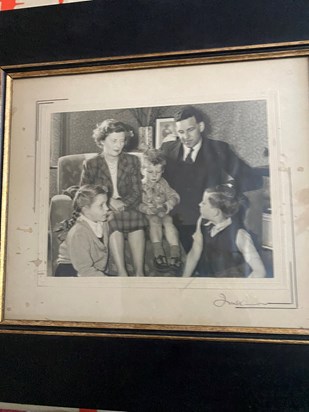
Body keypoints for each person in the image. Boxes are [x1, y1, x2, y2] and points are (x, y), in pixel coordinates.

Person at [161, 105, 263, 253]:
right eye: (181, 132)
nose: (185, 137)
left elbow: (253, 178)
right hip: (175, 216)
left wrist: (226, 188)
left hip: (206, 217)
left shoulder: (219, 149)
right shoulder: (167, 148)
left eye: (190, 130)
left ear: (201, 126)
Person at [80, 119, 147, 276]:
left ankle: (139, 273)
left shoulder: (132, 161)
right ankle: (122, 273)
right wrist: (109, 201)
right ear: (102, 140)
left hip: (128, 206)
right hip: (104, 208)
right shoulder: (91, 164)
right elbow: (84, 191)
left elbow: (137, 192)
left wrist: (122, 204)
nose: (119, 145)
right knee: (111, 220)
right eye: (114, 140)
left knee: (137, 221)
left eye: (122, 140)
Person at [183, 184, 266, 278]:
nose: (199, 204)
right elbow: (194, 253)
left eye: (204, 203)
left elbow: (260, 271)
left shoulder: (240, 234)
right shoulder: (202, 222)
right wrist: (182, 281)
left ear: (215, 212)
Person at [139, 149, 182, 274]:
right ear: (142, 170)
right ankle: (158, 254)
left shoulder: (163, 183)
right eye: (150, 171)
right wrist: (146, 208)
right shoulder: (139, 185)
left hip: (162, 212)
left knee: (168, 220)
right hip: (148, 215)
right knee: (154, 220)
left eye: (158, 172)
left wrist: (168, 204)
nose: (154, 175)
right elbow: (135, 203)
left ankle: (175, 254)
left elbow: (174, 195)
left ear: (162, 171)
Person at [55, 184, 110, 277]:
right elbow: (84, 270)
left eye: (106, 204)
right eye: (101, 205)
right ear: (86, 209)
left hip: (89, 271)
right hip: (71, 272)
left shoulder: (103, 223)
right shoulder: (79, 233)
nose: (107, 208)